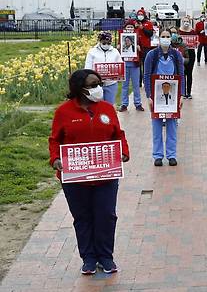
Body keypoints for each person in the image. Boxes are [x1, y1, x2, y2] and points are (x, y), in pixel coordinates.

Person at [48, 69, 130, 275]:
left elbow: (117, 134)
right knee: (83, 217)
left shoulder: (107, 109)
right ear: (79, 88)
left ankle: (106, 256)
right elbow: (55, 139)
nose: (98, 88)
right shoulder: (63, 112)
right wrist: (56, 159)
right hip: (75, 178)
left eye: (99, 83)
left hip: (106, 175)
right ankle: (89, 258)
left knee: (106, 215)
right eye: (93, 85)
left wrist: (124, 152)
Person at [144, 29, 185, 166]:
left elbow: (181, 75)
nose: (166, 39)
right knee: (156, 126)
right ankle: (158, 156)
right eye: (163, 36)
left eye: (168, 36)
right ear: (159, 37)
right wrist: (149, 96)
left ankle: (172, 155)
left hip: (173, 94)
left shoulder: (177, 55)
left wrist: (181, 95)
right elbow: (147, 75)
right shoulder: (152, 55)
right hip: (156, 95)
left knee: (172, 126)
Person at [84, 32, 123, 104]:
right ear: (100, 41)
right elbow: (87, 68)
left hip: (111, 84)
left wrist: (119, 76)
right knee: (97, 105)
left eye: (109, 43)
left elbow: (119, 65)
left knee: (109, 105)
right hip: (96, 85)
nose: (106, 45)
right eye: (104, 43)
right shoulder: (92, 52)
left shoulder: (115, 52)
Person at [118, 24, 143, 112]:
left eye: (131, 27)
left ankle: (138, 103)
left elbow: (143, 51)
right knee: (125, 85)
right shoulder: (121, 38)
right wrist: (118, 48)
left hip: (134, 65)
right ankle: (124, 104)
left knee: (136, 85)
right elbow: (117, 52)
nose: (130, 29)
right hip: (125, 64)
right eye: (128, 27)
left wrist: (139, 49)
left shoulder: (137, 38)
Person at [134, 8, 154, 86]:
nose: (140, 16)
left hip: (146, 47)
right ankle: (139, 82)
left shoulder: (148, 23)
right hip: (137, 47)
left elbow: (150, 34)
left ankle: (146, 82)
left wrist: (143, 28)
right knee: (137, 65)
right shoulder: (134, 23)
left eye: (141, 14)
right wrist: (135, 27)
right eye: (139, 14)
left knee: (146, 64)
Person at [178, 18, 196, 98]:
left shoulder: (193, 31)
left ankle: (189, 92)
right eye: (184, 21)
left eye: (187, 21)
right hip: (182, 53)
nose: (186, 23)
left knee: (189, 73)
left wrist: (196, 43)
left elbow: (196, 40)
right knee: (182, 72)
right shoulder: (179, 31)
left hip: (191, 53)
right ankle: (183, 92)